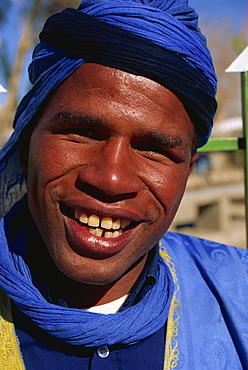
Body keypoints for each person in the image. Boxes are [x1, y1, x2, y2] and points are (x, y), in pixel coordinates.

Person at [0, 1, 247, 369]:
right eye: (83, 132)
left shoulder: (238, 292)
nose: (111, 180)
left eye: (153, 149)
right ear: (26, 144)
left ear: (188, 171)